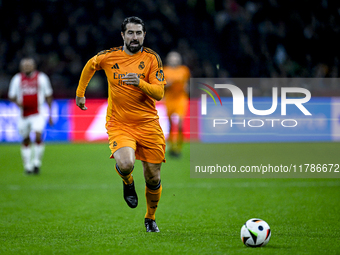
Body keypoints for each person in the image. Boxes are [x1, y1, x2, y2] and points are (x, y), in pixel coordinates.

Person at [75, 16, 166, 232]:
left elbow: (159, 93)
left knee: (153, 177)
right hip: (119, 123)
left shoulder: (153, 59)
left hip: (148, 124)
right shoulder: (108, 57)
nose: (135, 37)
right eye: (131, 33)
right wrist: (80, 94)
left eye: (139, 33)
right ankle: (127, 182)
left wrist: (140, 82)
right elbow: (90, 65)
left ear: (144, 35)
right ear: (123, 35)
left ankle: (150, 218)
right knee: (126, 164)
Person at [8, 57, 53, 174]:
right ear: (21, 67)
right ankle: (27, 166)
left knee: (38, 136)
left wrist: (50, 114)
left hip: (38, 113)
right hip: (23, 115)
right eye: (25, 66)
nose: (27, 67)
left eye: (29, 65)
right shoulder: (17, 79)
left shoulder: (42, 78)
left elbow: (48, 95)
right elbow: (11, 95)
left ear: (34, 66)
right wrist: (18, 103)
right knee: (26, 139)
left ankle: (37, 163)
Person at [163, 51, 190, 157]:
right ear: (169, 60)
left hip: (180, 99)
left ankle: (178, 149)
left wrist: (187, 88)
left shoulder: (184, 70)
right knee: (170, 125)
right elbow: (161, 85)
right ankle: (171, 147)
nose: (174, 60)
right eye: (172, 58)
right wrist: (167, 84)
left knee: (180, 124)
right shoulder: (165, 71)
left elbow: (186, 84)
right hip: (169, 100)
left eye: (176, 58)